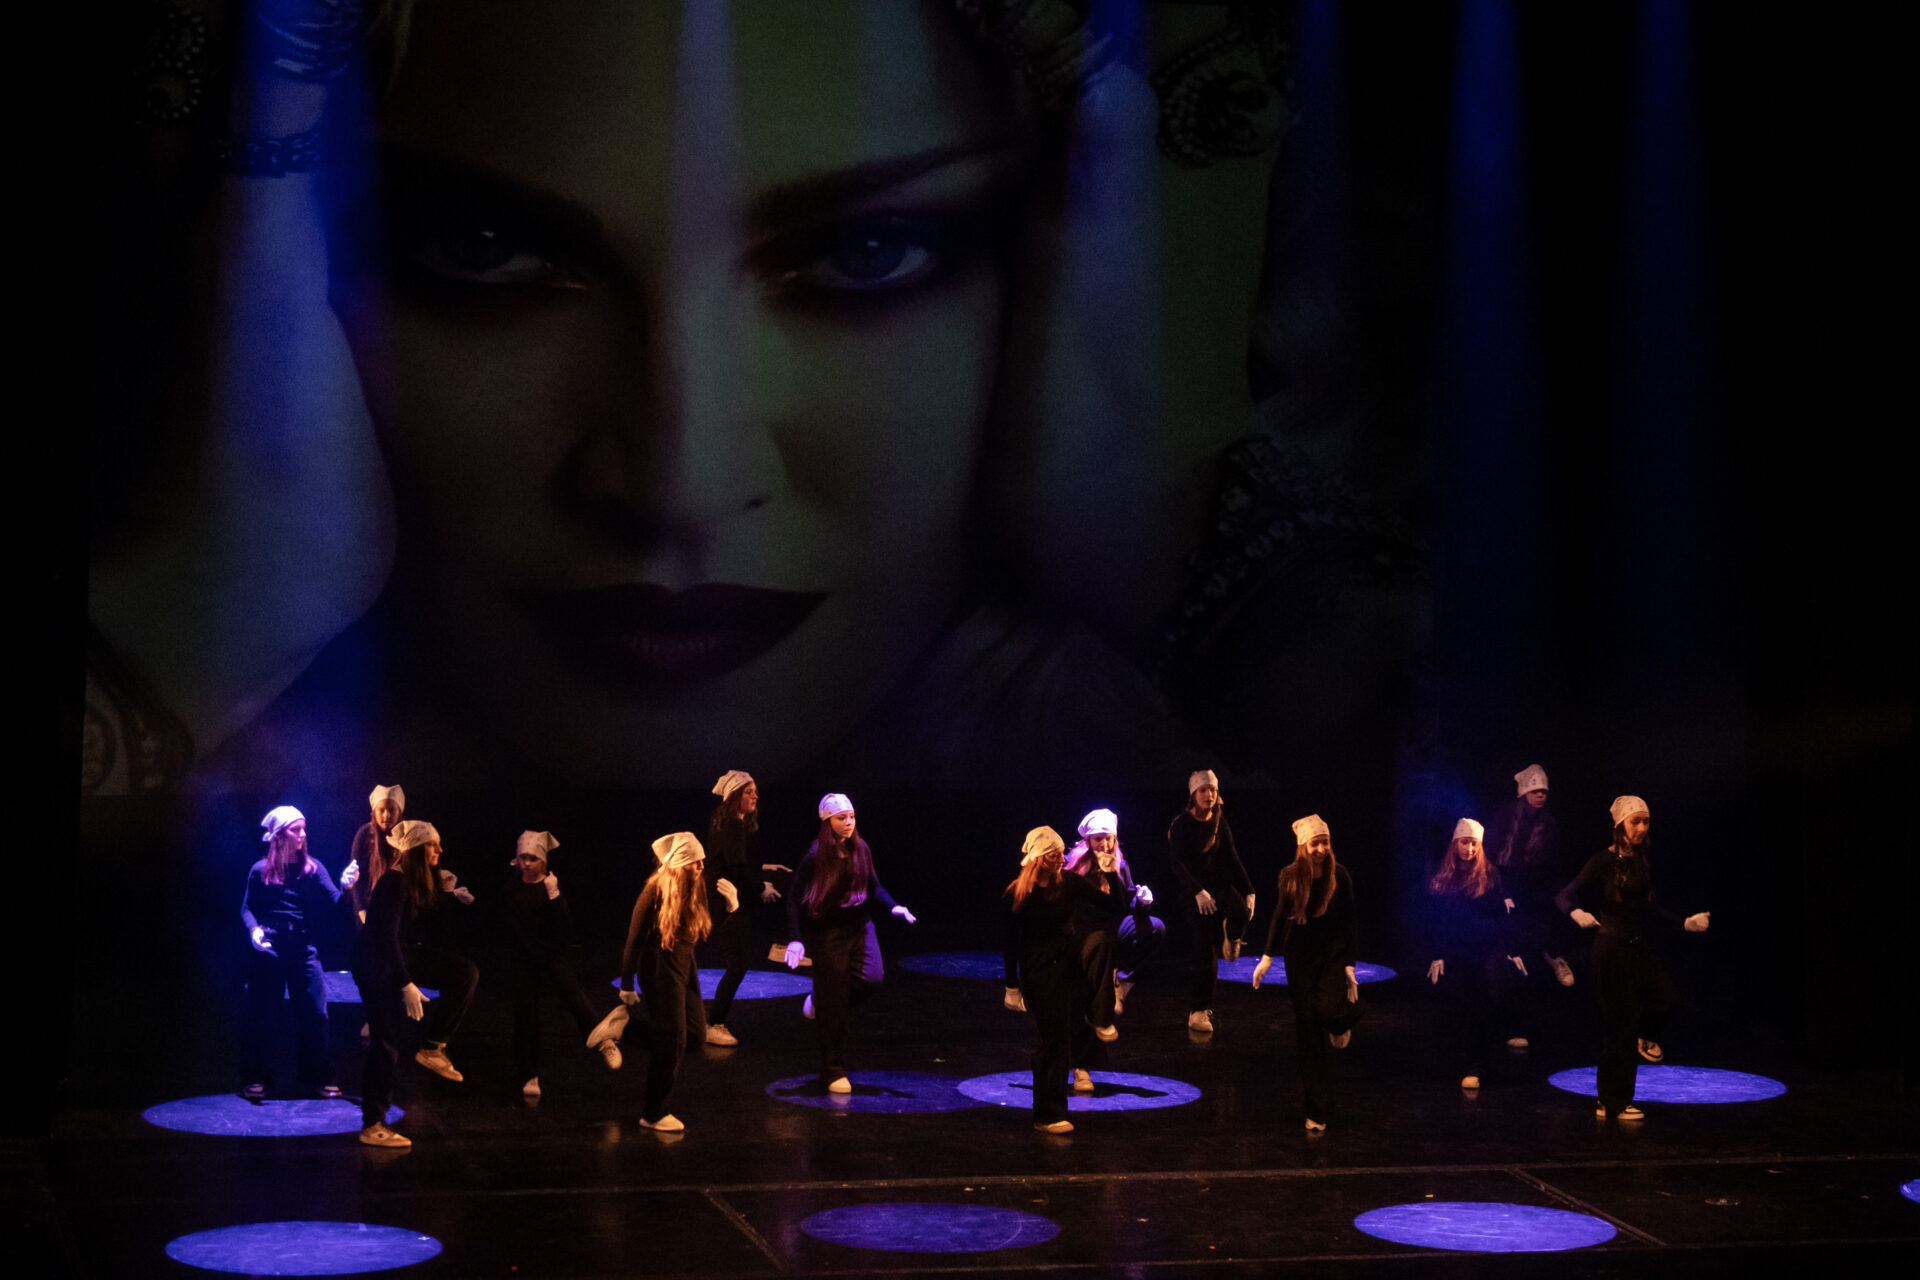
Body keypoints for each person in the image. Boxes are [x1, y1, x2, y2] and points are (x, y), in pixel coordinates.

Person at [1556, 796, 1710, 1123]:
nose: (1641, 828)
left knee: (1668, 1000)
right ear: (1620, 825)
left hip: (1637, 947)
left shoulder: (1641, 860)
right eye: (1634, 822)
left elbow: (1648, 908)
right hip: (1610, 950)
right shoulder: (1603, 861)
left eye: (1645, 822)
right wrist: (1575, 912)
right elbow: (1565, 895)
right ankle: (1612, 1101)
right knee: (1619, 1028)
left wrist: (1683, 922)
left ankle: (1643, 1037)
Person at [349, 819, 480, 1148]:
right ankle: (373, 1124)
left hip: (402, 955)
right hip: (376, 964)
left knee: (464, 972)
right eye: (433, 845)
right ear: (418, 849)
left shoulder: (412, 880)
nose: (439, 850)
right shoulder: (395, 882)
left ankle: (433, 1047)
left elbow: (422, 928)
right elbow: (386, 938)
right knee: (386, 1040)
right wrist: (406, 984)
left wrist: (450, 897)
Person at [1006, 825, 1139, 1134]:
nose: (1061, 859)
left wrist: (1112, 875)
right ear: (1039, 858)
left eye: (1061, 854)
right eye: (1054, 855)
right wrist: (1012, 986)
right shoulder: (1018, 893)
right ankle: (1047, 1115)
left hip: (1067, 964)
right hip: (1039, 972)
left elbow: (1115, 907)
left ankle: (1101, 1016)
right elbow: (1010, 942)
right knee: (1054, 1041)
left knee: (1101, 944)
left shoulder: (1068, 882)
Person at [784, 793, 915, 1092]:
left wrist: (894, 906)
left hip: (860, 926)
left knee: (872, 978)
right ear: (827, 822)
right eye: (841, 818)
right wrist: (795, 939)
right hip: (828, 932)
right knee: (834, 1002)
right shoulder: (815, 855)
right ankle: (832, 1070)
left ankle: (821, 1001)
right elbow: (793, 898)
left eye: (852, 816)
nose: (849, 822)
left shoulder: (861, 848)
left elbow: (874, 886)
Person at [490, 830, 629, 1097]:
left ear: (543, 860)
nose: (527, 863)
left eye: (533, 858)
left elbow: (565, 931)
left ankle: (605, 1042)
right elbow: (496, 915)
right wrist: (468, 901)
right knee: (526, 1016)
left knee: (574, 997)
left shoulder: (549, 886)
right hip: (524, 959)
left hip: (551, 954)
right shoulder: (512, 888)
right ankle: (529, 1075)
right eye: (523, 858)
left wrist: (555, 898)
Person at [616, 832, 737, 1133]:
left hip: (685, 963)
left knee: (695, 1036)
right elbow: (634, 940)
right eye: (695, 862)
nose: (701, 867)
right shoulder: (654, 890)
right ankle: (654, 1113)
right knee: (672, 1040)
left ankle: (624, 1028)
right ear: (680, 864)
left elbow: (704, 928)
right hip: (659, 966)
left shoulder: (695, 886)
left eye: (702, 861)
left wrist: (730, 908)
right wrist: (627, 985)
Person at [1251, 814, 1361, 1132]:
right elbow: (1279, 915)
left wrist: (1349, 964)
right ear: (1303, 846)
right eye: (1315, 844)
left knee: (1328, 1011)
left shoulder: (1340, 875)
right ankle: (1316, 1109)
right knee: (1308, 1029)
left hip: (1332, 952)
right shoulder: (1289, 876)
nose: (1321, 849)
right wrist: (1266, 957)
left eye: (1325, 843)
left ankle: (1341, 1021)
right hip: (1299, 956)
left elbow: (1350, 921)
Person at [238, 805, 355, 1101]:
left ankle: (317, 1077)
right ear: (279, 835)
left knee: (316, 1014)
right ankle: (258, 1077)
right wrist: (254, 931)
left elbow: (337, 903)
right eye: (296, 829)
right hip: (270, 949)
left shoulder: (313, 869)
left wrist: (347, 887)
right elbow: (247, 908)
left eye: (304, 828)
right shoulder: (260, 870)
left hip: (303, 949)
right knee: (264, 1016)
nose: (303, 834)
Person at [1422, 819, 1530, 1091]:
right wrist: (1438, 954)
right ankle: (1473, 1061)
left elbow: (1503, 916)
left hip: (1487, 946)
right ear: (1455, 843)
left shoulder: (1489, 874)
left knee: (1490, 996)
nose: (1469, 849)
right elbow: (1437, 920)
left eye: (1474, 844)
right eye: (1464, 843)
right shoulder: (1444, 878)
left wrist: (1512, 950)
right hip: (1459, 949)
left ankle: (1480, 1062)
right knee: (1466, 1003)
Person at [701, 770, 791, 1046]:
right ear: (734, 797)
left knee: (738, 962)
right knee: (737, 964)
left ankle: (782, 944)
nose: (755, 796)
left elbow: (737, 861)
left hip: (730, 897)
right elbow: (736, 868)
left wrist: (765, 868)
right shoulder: (732, 825)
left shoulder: (733, 823)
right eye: (748, 792)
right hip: (727, 901)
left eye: (755, 792)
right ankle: (713, 1023)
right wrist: (761, 886)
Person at [1167, 770, 1254, 1034]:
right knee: (1205, 950)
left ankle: (1232, 936)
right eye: (1203, 790)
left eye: (1213, 790)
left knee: (1243, 911)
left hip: (1220, 887)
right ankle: (1198, 1010)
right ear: (1193, 795)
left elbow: (1232, 857)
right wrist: (1197, 892)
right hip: (1194, 894)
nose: (1209, 795)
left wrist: (1249, 890)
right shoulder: (1181, 825)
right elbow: (1177, 864)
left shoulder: (1219, 822)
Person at [1063, 807, 1161, 1034]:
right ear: (1088, 840)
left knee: (1156, 927)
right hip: (1085, 929)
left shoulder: (1120, 865)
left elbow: (1127, 903)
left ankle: (1121, 979)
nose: (1104, 845)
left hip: (1111, 925)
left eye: (1109, 838)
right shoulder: (1074, 865)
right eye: (1098, 839)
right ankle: (1099, 1013)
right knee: (1101, 942)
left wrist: (1142, 901)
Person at [1486, 764, 1574, 987]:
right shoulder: (1507, 816)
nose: (1540, 795)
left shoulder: (1548, 822)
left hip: (1533, 878)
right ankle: (1507, 960)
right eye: (1535, 791)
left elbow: (1551, 859)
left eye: (1544, 791)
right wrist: (1499, 885)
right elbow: (1492, 850)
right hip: (1504, 875)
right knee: (1506, 915)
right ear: (1524, 793)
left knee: (1550, 910)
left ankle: (1553, 957)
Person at [344, 784, 405, 928]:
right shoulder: (364, 834)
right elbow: (356, 877)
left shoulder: (405, 836)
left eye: (391, 810)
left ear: (399, 812)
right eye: (381, 810)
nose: (386, 815)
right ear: (374, 812)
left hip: (397, 909)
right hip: (368, 906)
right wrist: (361, 910)